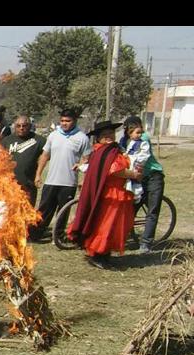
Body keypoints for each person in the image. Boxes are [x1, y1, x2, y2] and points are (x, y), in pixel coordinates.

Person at [67, 121, 141, 269]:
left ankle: (103, 253)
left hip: (112, 192)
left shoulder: (105, 150)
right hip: (110, 195)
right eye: (105, 135)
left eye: (111, 134)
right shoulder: (106, 151)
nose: (109, 137)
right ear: (98, 138)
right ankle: (98, 254)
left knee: (109, 225)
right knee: (107, 225)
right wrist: (133, 174)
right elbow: (114, 170)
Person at [30, 108, 92, 242]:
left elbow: (86, 159)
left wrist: (83, 178)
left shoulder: (82, 138)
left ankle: (57, 236)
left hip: (69, 182)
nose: (64, 123)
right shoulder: (53, 135)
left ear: (74, 121)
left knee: (62, 212)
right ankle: (36, 234)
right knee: (44, 210)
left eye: (68, 121)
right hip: (51, 180)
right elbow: (45, 155)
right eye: (62, 120)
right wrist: (38, 174)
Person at [120, 116, 164, 253]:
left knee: (152, 211)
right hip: (137, 178)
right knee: (130, 209)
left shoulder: (142, 138)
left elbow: (140, 157)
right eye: (132, 129)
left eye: (139, 129)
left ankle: (146, 243)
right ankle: (123, 237)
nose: (138, 132)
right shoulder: (124, 140)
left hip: (153, 176)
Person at [1, 115, 47, 206]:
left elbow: (46, 156)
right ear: (14, 126)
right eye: (18, 126)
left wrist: (38, 174)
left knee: (27, 213)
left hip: (28, 184)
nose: (21, 128)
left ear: (29, 126)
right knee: (10, 213)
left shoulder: (39, 140)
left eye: (24, 125)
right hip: (10, 184)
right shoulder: (7, 140)